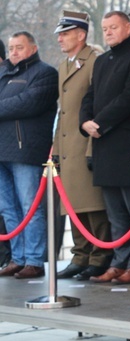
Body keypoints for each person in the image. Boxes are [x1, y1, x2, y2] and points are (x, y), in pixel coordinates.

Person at [80, 11, 130, 284]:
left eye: (113, 27)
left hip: (125, 142)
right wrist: (85, 121)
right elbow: (90, 95)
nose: (108, 32)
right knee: (115, 212)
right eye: (105, 28)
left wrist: (99, 122)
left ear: (128, 28)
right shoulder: (101, 62)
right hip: (102, 143)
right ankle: (119, 260)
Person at [52, 11, 112, 281]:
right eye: (60, 35)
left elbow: (94, 107)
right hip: (66, 145)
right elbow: (63, 113)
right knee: (73, 204)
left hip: (85, 143)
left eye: (65, 34)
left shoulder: (93, 62)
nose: (60, 39)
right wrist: (55, 148)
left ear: (81, 35)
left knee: (92, 205)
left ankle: (99, 256)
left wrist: (90, 149)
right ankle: (80, 254)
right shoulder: (66, 65)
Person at [0, 32, 58, 279]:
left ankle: (34, 259)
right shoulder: (5, 74)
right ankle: (18, 257)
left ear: (33, 49)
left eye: (19, 47)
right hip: (2, 150)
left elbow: (28, 103)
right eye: (11, 48)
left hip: (26, 150)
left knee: (30, 207)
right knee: (8, 209)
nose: (14, 52)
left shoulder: (45, 73)